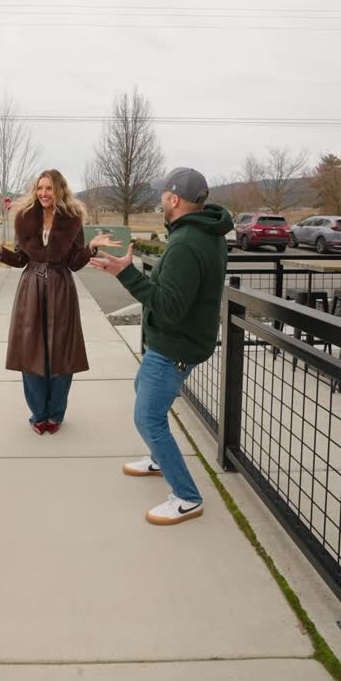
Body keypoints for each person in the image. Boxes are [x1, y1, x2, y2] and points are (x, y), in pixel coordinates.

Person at [90, 167, 233, 526]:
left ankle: (187, 497)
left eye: (163, 196)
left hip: (174, 346)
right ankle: (158, 459)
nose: (161, 201)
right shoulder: (204, 233)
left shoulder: (186, 242)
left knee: (148, 417)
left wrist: (125, 273)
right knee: (143, 390)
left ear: (174, 199)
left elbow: (170, 306)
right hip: (178, 341)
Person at [0, 169, 121, 433]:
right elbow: (20, 260)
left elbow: (74, 263)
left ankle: (55, 414)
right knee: (31, 353)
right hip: (30, 291)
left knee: (62, 353)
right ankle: (38, 414)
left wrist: (91, 248)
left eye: (49, 188)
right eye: (40, 188)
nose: (44, 193)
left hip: (62, 290)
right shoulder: (24, 218)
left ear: (59, 190)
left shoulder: (73, 220)